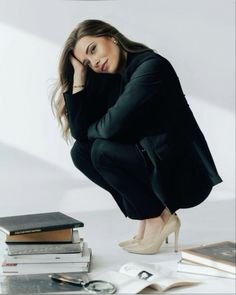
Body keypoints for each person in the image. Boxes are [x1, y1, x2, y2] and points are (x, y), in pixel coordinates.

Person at [51, 19, 223, 254]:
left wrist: (97, 130)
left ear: (110, 37)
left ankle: (155, 217)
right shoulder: (113, 76)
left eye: (93, 50)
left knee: (101, 151)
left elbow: (110, 128)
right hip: (152, 157)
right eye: (88, 62)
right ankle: (153, 214)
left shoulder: (152, 67)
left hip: (181, 169)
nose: (95, 62)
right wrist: (79, 75)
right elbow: (81, 135)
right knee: (81, 153)